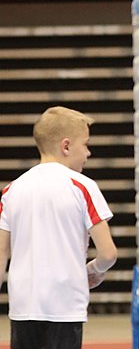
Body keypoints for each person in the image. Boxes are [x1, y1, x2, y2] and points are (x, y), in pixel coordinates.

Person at [0, 106, 117, 349]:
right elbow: (108, 253)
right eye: (85, 144)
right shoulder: (83, 187)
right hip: (64, 305)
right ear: (66, 146)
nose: (88, 152)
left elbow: (1, 254)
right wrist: (93, 270)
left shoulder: (12, 190)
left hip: (23, 306)